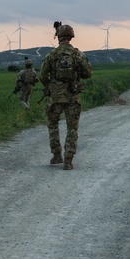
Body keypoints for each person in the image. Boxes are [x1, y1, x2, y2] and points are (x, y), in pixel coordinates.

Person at [39, 23, 93, 170]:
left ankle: (56, 155)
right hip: (72, 97)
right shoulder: (77, 54)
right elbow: (88, 73)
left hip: (55, 98)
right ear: (71, 37)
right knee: (72, 128)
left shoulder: (51, 55)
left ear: (59, 37)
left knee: (53, 126)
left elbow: (42, 76)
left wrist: (51, 85)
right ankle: (68, 161)